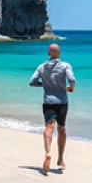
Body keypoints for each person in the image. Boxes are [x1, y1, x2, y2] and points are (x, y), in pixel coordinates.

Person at [29, 43, 76, 173]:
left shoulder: (42, 67)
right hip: (62, 102)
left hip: (48, 101)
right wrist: (71, 88)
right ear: (59, 53)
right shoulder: (65, 66)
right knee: (61, 129)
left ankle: (48, 152)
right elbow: (72, 79)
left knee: (49, 128)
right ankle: (60, 159)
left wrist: (44, 85)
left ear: (49, 54)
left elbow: (32, 82)